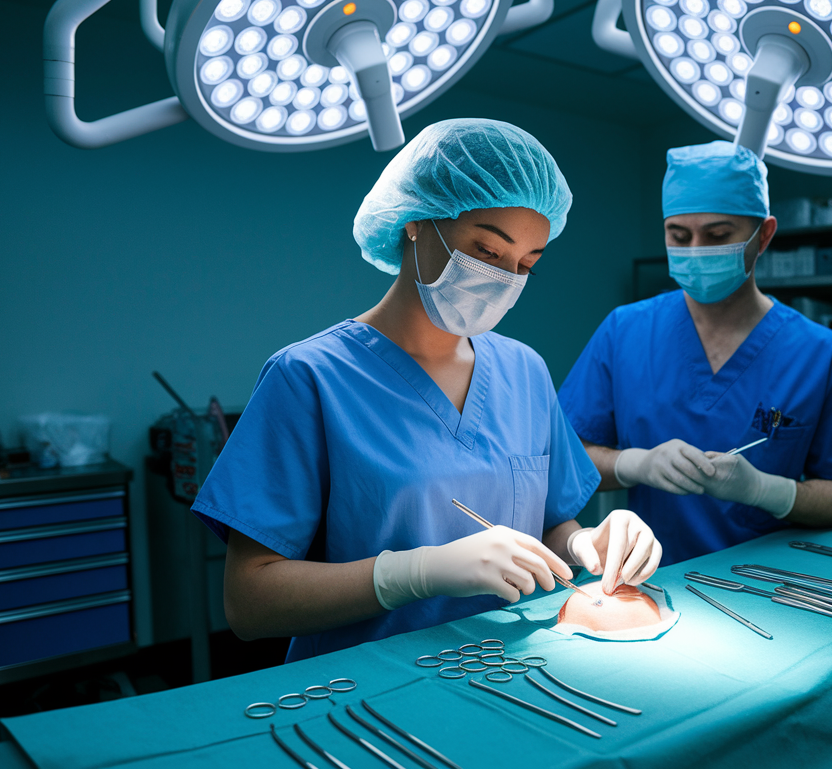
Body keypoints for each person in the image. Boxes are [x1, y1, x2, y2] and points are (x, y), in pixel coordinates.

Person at [191, 119, 662, 661]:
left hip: (517, 672)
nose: (506, 279)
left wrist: (586, 544)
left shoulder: (524, 371)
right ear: (417, 222)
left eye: (526, 264)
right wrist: (414, 573)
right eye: (487, 251)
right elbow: (249, 603)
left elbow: (552, 525)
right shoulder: (310, 378)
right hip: (363, 691)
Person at [557, 140, 832, 566]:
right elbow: (567, 463)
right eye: (679, 236)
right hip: (651, 581)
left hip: (776, 588)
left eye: (718, 236)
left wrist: (766, 491)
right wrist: (634, 464)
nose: (696, 249)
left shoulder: (821, 353)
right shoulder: (625, 331)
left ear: (764, 235)